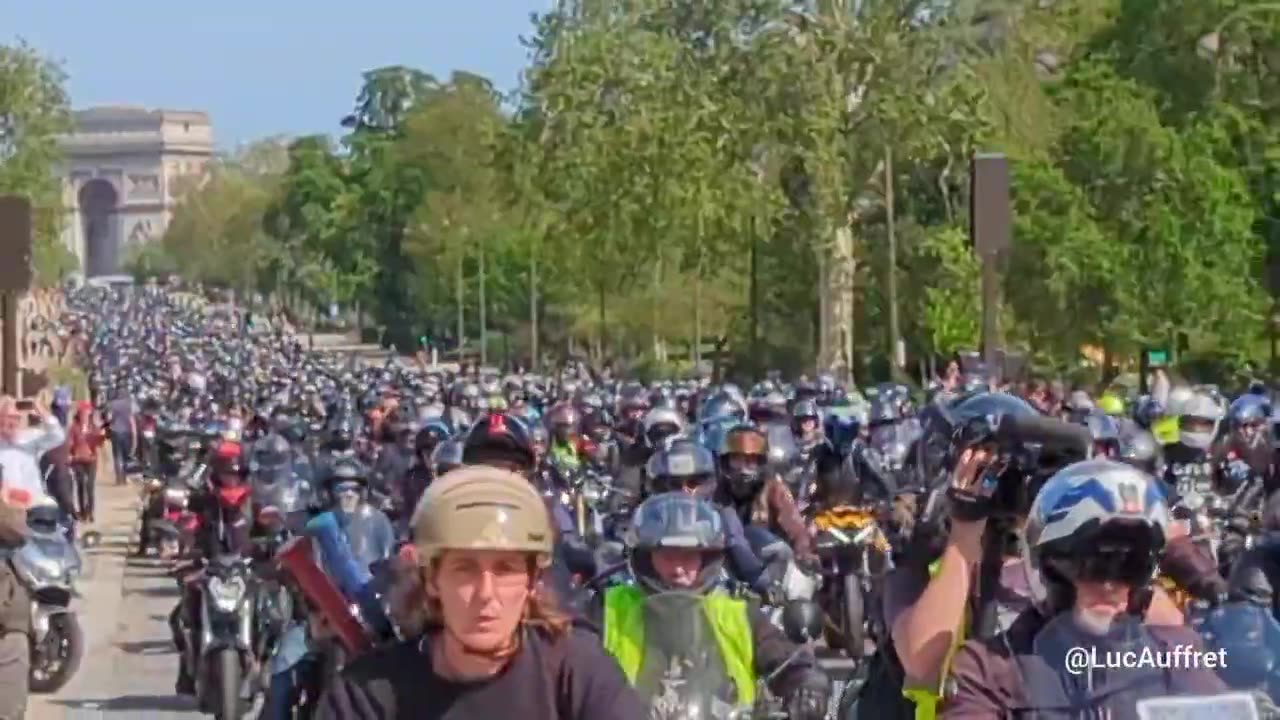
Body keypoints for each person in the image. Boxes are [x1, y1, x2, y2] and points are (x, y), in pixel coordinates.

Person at [316, 465, 648, 720]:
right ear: (432, 579)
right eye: (464, 569)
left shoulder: (575, 669)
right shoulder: (365, 696)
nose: (486, 593)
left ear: (531, 582)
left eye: (505, 570)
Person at [943, 459, 1226, 717]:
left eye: (1131, 566)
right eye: (1095, 565)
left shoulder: (1175, 653)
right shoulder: (991, 667)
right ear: (1051, 566)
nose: (1109, 584)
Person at [594, 492, 830, 720]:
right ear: (646, 557)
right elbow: (572, 661)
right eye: (667, 556)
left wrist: (805, 681)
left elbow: (781, 654)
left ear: (706, 558)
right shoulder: (608, 609)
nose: (678, 569)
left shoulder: (736, 612)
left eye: (688, 556)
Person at [0, 396, 66, 504]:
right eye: (8, 418)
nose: (13, 422)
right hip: (6, 507)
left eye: (16, 417)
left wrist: (40, 410)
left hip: (33, 503)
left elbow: (58, 436)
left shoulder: (31, 437)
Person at [67, 400, 104, 522]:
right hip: (77, 460)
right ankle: (82, 511)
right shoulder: (74, 427)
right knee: (81, 484)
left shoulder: (93, 427)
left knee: (90, 486)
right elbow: (70, 442)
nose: (85, 415)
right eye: (82, 413)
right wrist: (70, 453)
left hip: (91, 459)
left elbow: (99, 443)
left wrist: (100, 435)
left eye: (87, 413)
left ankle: (90, 512)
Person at [106, 386, 138, 485]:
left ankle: (118, 479)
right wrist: (134, 434)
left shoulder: (112, 404)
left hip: (115, 431)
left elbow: (109, 418)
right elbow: (132, 421)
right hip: (126, 433)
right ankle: (124, 478)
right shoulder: (130, 404)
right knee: (125, 457)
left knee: (116, 456)